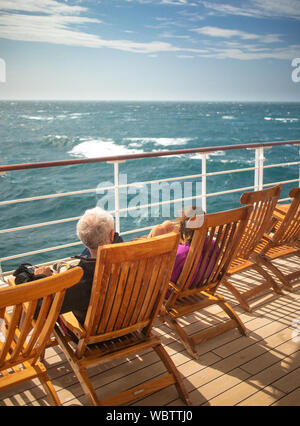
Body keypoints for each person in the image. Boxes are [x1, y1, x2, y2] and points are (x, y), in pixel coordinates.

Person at [34, 207, 123, 325]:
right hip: (131, 322)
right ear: (112, 235)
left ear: (83, 240)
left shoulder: (81, 280)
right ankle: (63, 268)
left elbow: (39, 310)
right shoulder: (135, 259)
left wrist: (40, 279)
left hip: (98, 334)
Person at [148, 208, 218, 296]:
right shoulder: (213, 244)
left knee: (158, 231)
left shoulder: (181, 253)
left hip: (173, 291)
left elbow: (168, 277)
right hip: (199, 283)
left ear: (182, 228)